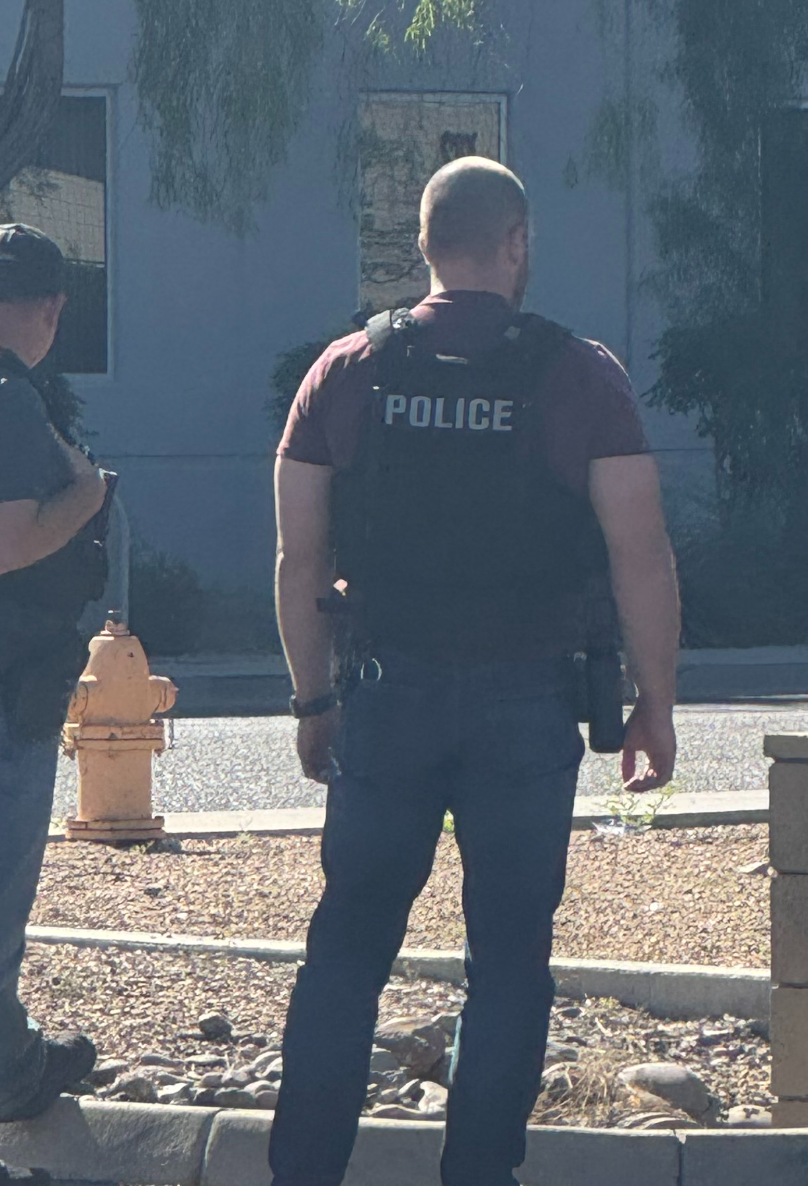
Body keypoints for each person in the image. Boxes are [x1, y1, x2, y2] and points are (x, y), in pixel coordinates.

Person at [269, 157, 682, 1186]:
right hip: (526, 698)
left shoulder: (346, 370)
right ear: (517, 243)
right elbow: (642, 551)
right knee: (507, 962)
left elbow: (298, 557)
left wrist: (312, 696)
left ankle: (302, 1172)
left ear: (422, 246)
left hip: (383, 688)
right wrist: (656, 705)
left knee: (347, 949)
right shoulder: (578, 375)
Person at [0, 224, 107, 1183]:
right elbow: (8, 540)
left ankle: (15, 1063)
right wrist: (87, 491)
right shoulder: (8, 399)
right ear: (48, 308)